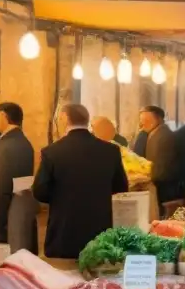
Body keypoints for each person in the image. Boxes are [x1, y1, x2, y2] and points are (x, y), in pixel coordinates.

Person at [33, 104, 129, 259]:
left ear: (64, 117)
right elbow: (121, 186)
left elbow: (39, 191)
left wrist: (59, 198)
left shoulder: (52, 152)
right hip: (99, 232)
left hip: (64, 234)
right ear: (87, 120)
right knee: (98, 280)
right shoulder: (110, 151)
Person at [0, 102, 33, 244]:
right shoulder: (24, 143)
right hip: (17, 219)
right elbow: (21, 186)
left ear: (3, 116)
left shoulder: (6, 147)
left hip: (3, 224)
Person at [140, 106, 177, 204]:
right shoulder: (155, 133)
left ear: (159, 119)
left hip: (164, 190)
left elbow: (161, 168)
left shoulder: (164, 136)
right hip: (159, 186)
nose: (142, 123)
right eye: (142, 120)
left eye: (147, 120)